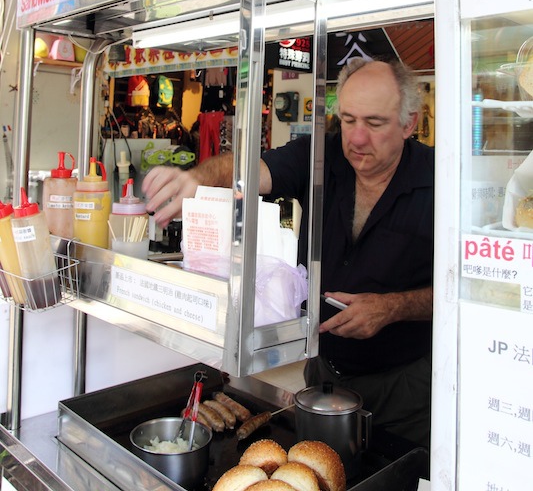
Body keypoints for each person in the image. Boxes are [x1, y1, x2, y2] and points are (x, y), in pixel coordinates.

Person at [142, 57, 434, 448]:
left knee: (396, 469)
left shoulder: (439, 180)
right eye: (348, 120)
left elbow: (466, 293)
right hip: (323, 372)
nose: (357, 138)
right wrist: (196, 177)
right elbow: (247, 169)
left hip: (404, 386)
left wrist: (392, 308)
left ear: (409, 123)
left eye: (374, 123)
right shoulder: (321, 156)